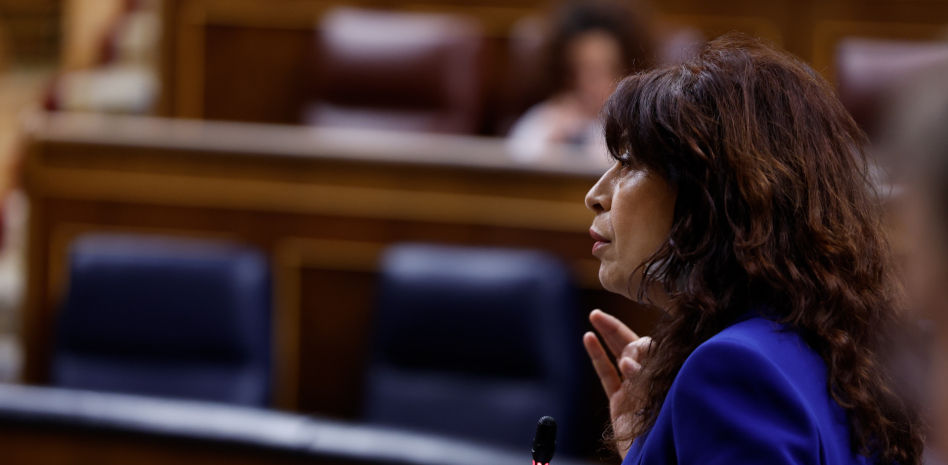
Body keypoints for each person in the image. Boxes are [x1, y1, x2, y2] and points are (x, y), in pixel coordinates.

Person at [581, 33, 924, 465]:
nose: (596, 194)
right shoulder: (846, 349)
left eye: (629, 161)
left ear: (713, 195)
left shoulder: (730, 369)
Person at [506, 0, 655, 165]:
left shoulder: (640, 128)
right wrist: (553, 141)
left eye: (607, 69)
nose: (594, 81)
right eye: (584, 69)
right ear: (567, 74)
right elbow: (515, 169)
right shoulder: (546, 120)